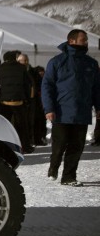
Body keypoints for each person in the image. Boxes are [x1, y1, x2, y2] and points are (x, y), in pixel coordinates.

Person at [41, 29, 100, 186]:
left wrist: (98, 107)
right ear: (71, 41)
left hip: (82, 112)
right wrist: (49, 109)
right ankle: (53, 167)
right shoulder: (57, 61)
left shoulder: (91, 63)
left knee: (76, 147)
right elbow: (47, 86)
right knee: (59, 145)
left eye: (87, 39)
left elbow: (97, 88)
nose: (86, 42)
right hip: (61, 112)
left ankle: (68, 177)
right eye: (83, 39)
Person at [0, 50, 33, 153]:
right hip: (18, 101)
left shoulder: (0, 68)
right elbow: (28, 84)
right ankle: (25, 147)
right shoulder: (21, 68)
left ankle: (2, 148)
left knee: (3, 126)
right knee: (22, 126)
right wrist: (27, 100)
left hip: (4, 103)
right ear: (15, 58)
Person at [17, 53, 41, 147]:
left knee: (31, 122)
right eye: (23, 60)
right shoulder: (17, 72)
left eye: (26, 60)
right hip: (21, 100)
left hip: (32, 101)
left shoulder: (33, 71)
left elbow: (37, 84)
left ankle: (30, 140)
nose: (25, 62)